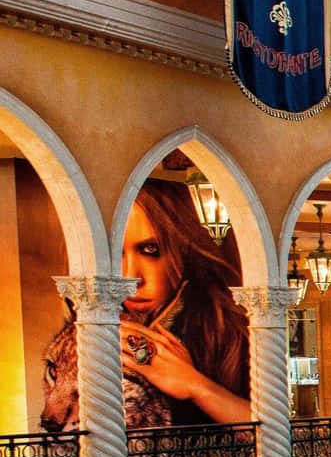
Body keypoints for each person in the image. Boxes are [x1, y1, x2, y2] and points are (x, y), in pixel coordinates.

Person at [40, 179, 250, 431]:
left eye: (151, 250)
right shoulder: (87, 325)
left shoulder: (236, 335)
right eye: (115, 252)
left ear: (189, 253)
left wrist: (196, 386)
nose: (130, 277)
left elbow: (280, 440)